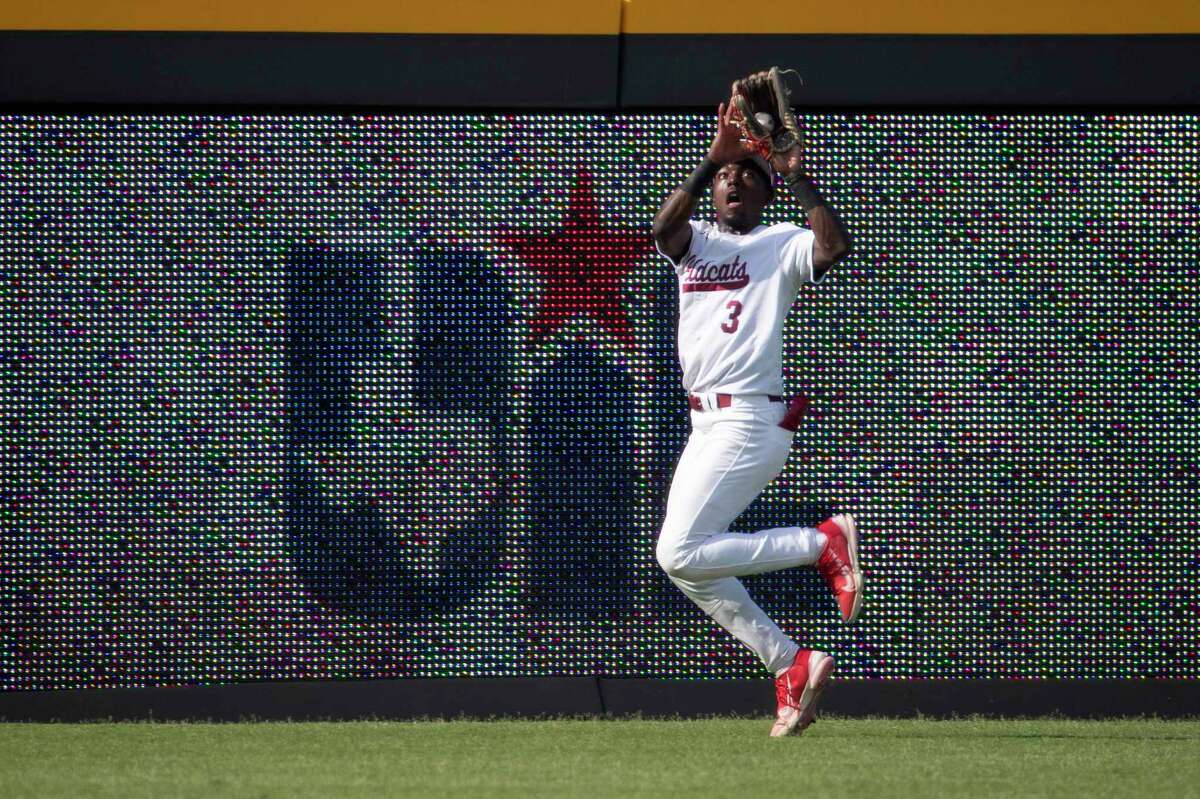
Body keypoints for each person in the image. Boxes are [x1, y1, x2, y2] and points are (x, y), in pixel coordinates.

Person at [651, 97, 861, 737]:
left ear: (767, 193)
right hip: (706, 425)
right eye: (724, 175)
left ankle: (820, 542)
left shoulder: (780, 243)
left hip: (749, 419)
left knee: (679, 550)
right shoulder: (695, 244)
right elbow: (663, 231)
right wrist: (709, 159)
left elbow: (834, 246)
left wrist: (797, 175)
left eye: (748, 174)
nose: (733, 180)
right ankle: (790, 662)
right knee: (692, 569)